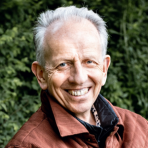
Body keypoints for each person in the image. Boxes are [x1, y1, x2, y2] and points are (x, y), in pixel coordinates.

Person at [5, 6, 148, 148]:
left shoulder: (141, 128)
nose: (79, 78)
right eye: (63, 64)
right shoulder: (28, 145)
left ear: (104, 69)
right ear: (41, 75)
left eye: (89, 62)